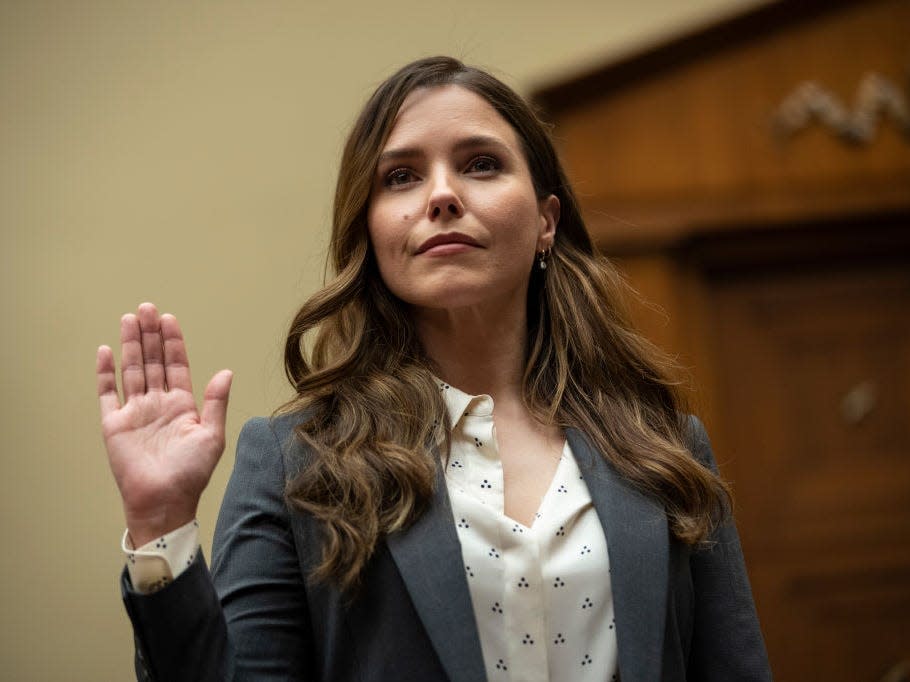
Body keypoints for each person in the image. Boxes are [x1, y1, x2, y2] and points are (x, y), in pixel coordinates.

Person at [97, 56, 771, 681]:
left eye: (480, 164)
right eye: (401, 177)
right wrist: (160, 528)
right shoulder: (292, 465)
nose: (441, 196)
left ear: (545, 220)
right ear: (374, 232)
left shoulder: (666, 448)